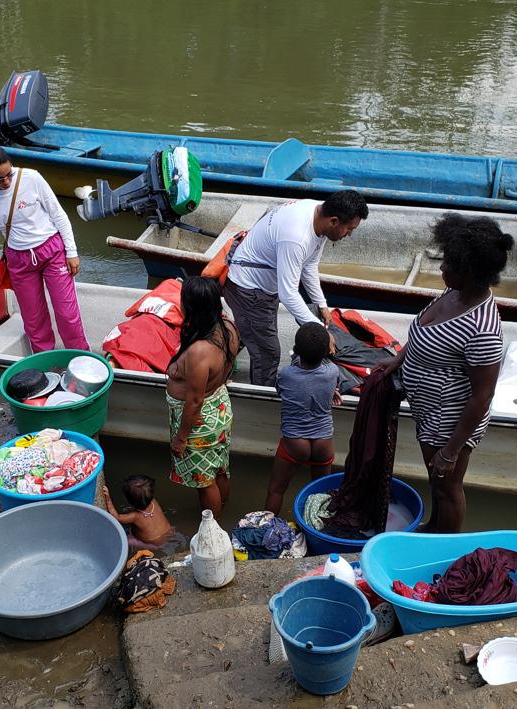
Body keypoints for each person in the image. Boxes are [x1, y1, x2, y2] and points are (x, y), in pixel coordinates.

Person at [376, 214, 512, 533]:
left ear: (470, 273)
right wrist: (398, 359)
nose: (442, 268)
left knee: (447, 487)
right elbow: (427, 334)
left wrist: (451, 451)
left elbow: (483, 396)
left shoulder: (483, 330)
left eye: (449, 264)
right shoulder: (454, 293)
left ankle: (445, 545)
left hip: (449, 423)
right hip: (430, 413)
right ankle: (434, 526)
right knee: (436, 483)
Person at [223, 190, 368, 387]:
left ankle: (238, 343)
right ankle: (260, 399)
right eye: (349, 229)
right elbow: (288, 293)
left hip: (267, 287)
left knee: (260, 334)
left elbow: (309, 266)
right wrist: (319, 330)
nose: (349, 234)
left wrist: (322, 304)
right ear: (334, 221)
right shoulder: (296, 236)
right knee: (268, 352)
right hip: (248, 289)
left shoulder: (319, 214)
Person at [0, 145, 89, 353]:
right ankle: (46, 368)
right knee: (34, 320)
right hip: (19, 260)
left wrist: (71, 252)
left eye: (9, 174)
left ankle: (81, 359)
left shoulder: (31, 178)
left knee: (66, 313)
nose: (6, 182)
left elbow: (58, 214)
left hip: (51, 250)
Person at [166, 277, 240, 516]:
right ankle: (223, 512)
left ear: (191, 306)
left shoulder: (200, 351)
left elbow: (194, 400)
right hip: (219, 408)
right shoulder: (227, 326)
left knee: (204, 481)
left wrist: (181, 438)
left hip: (200, 423)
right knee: (219, 468)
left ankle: (213, 529)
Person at [264, 322, 342, 514]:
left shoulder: (285, 374)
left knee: (276, 489)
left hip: (295, 442)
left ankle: (264, 531)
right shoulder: (333, 371)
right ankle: (318, 534)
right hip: (323, 441)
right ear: (325, 352)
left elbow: (283, 391)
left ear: (297, 350)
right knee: (321, 496)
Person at [103, 475, 185, 555]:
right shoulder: (154, 502)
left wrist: (108, 500)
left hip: (153, 543)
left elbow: (118, 517)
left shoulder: (135, 516)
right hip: (169, 532)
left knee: (126, 540)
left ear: (129, 501)